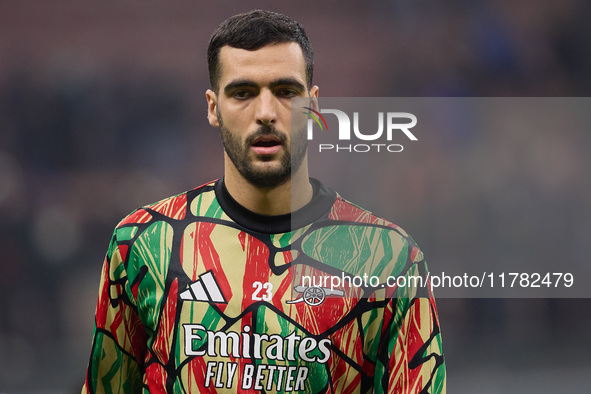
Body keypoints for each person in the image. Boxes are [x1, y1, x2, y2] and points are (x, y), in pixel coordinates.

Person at [82, 10, 446, 393]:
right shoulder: (145, 241)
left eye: (286, 92)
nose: (266, 113)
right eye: (243, 93)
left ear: (314, 106)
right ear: (212, 107)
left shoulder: (389, 258)